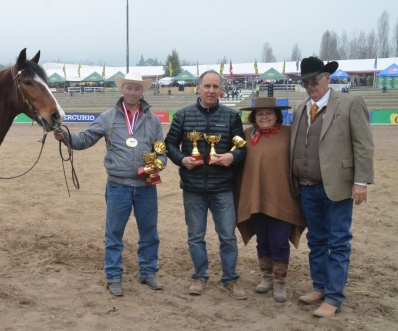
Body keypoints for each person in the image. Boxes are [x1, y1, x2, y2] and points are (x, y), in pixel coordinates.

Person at [53, 71, 167, 297]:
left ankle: (148, 272)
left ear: (142, 91)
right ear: (121, 90)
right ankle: (114, 276)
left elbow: (160, 152)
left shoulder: (153, 120)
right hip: (118, 186)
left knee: (150, 233)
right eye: (129, 88)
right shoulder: (108, 117)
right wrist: (65, 137)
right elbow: (85, 139)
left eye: (137, 88)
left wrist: (153, 169)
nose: (132, 92)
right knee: (114, 234)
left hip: (146, 187)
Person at [290, 57, 374, 318]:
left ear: (328, 78)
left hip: (338, 187)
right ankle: (320, 287)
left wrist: (360, 182)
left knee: (338, 242)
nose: (310, 86)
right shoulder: (300, 107)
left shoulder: (350, 103)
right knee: (316, 240)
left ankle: (335, 296)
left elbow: (363, 144)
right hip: (307, 187)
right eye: (306, 82)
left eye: (315, 80)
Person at [164, 70, 248, 300]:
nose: (211, 90)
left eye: (215, 86)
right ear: (199, 87)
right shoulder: (182, 116)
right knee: (195, 236)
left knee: (228, 237)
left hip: (223, 187)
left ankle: (230, 279)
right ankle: (200, 276)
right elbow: (169, 144)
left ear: (221, 90)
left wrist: (232, 156)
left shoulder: (232, 117)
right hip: (193, 188)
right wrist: (182, 159)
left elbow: (242, 147)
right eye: (207, 86)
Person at [235, 98, 306, 303]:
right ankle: (266, 277)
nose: (264, 117)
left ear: (277, 115)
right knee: (262, 239)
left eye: (268, 113)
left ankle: (280, 282)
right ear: (253, 117)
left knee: (279, 240)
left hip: (281, 196)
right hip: (255, 196)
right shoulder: (246, 135)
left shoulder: (289, 134)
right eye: (259, 113)